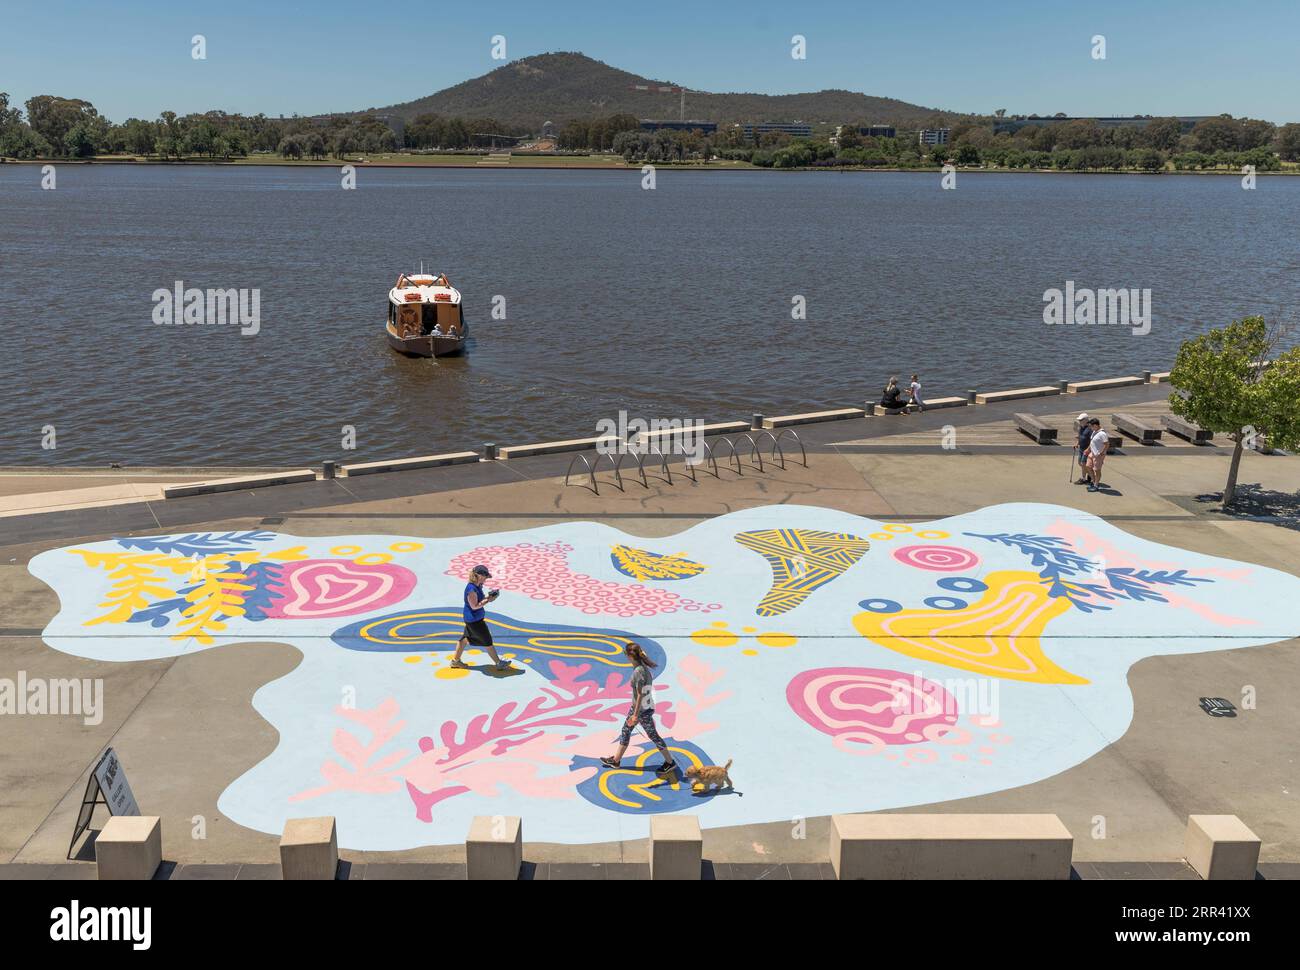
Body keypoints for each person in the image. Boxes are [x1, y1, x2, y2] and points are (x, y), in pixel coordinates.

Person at [600, 642, 678, 776]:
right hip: (642, 707)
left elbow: (640, 694)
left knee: (653, 736)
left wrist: (635, 715)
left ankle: (670, 762)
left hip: (641, 710)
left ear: (630, 656)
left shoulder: (638, 672)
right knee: (626, 730)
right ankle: (616, 761)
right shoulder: (643, 667)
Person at [450, 565, 512, 670]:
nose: (486, 578)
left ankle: (455, 661)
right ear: (478, 575)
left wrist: (490, 597)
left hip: (472, 619)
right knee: (487, 640)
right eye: (484, 576)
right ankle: (498, 663)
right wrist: (488, 600)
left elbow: (480, 601)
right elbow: (474, 606)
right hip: (474, 620)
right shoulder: (471, 589)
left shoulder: (478, 586)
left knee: (464, 640)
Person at [1086, 419, 1109, 492]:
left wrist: (1101, 453)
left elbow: (1107, 444)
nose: (1090, 428)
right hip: (1092, 453)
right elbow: (1092, 442)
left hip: (1098, 455)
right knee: (1088, 466)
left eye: (1091, 426)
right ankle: (1093, 481)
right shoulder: (1094, 432)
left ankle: (1096, 485)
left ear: (1095, 425)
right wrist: (1088, 449)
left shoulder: (1102, 434)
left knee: (1097, 470)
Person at [1075, 413, 1093, 484]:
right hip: (1081, 449)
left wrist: (1088, 449)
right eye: (1079, 420)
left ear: (1086, 420)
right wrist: (1077, 443)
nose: (1079, 421)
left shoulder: (1089, 429)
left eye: (1081, 420)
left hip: (1087, 450)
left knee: (1083, 464)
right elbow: (1080, 437)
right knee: (1080, 463)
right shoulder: (1081, 428)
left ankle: (1083, 478)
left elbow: (1092, 441)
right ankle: (1089, 474)